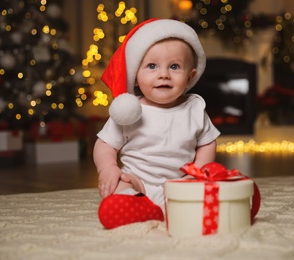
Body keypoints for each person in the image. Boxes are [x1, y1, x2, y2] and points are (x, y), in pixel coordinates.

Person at [94, 18, 220, 229]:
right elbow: (105, 144)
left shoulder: (195, 108)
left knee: (205, 195)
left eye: (174, 66)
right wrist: (108, 168)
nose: (163, 74)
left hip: (180, 183)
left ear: (190, 77)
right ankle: (137, 205)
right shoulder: (129, 110)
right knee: (118, 186)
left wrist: (198, 171)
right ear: (135, 77)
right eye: (152, 66)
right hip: (136, 180)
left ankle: (169, 208)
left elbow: (207, 143)